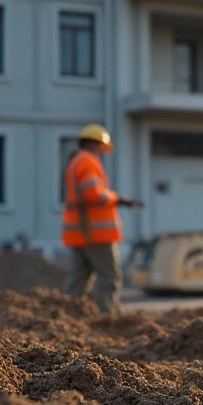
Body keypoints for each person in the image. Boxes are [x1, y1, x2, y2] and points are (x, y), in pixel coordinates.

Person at [62, 123, 141, 314]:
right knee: (110, 277)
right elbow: (94, 194)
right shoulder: (89, 161)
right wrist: (117, 198)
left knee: (78, 279)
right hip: (96, 234)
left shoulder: (74, 162)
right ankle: (108, 317)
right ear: (96, 144)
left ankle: (64, 316)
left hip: (80, 232)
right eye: (101, 148)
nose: (102, 153)